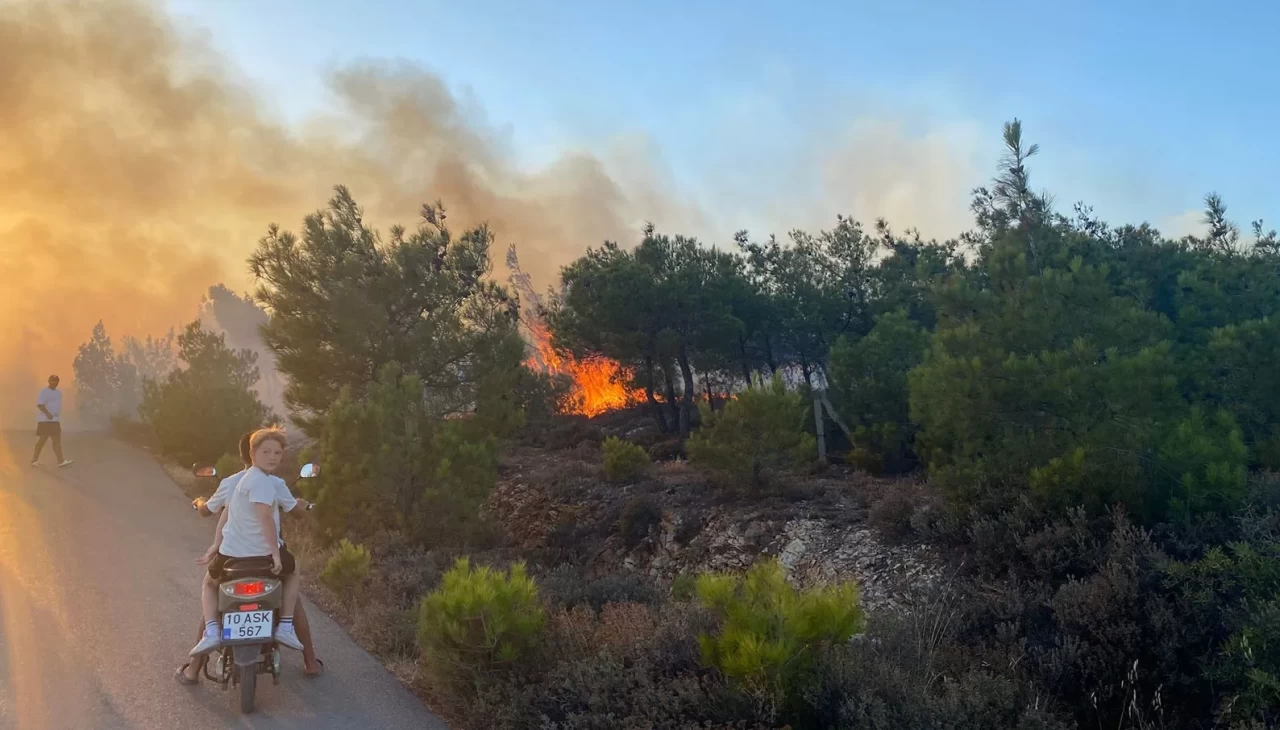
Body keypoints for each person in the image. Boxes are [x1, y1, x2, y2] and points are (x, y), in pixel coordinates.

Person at [177, 434, 324, 685]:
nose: (273, 457)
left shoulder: (232, 483)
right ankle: (309, 661)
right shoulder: (274, 483)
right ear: (254, 453)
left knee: (214, 593)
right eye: (268, 452)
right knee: (292, 592)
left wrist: (203, 510)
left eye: (276, 452)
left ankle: (193, 668)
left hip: (233, 558)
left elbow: (212, 512)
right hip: (266, 559)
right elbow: (288, 514)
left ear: (241, 454)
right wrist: (300, 506)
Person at [31, 374, 72, 467]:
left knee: (57, 441)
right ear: (49, 381)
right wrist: (48, 414)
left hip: (55, 421)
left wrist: (54, 415)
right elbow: (40, 404)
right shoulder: (44, 392)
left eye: (56, 381)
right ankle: (34, 460)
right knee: (42, 440)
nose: (54, 382)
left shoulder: (59, 393)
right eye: (53, 380)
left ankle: (60, 461)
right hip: (45, 420)